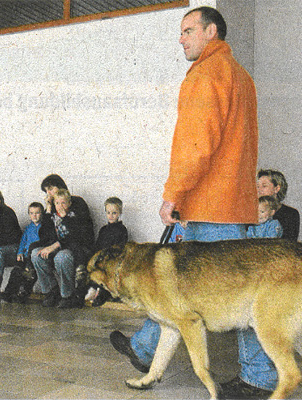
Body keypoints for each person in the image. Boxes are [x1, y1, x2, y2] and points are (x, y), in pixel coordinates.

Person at [109, 7, 274, 399]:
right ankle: (145, 347)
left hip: (208, 204)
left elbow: (195, 146)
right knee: (197, 289)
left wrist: (173, 194)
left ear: (210, 31)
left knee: (235, 295)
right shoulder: (242, 77)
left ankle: (260, 378)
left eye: (187, 31)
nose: (181, 38)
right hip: (231, 202)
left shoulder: (205, 74)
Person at [32, 189, 95, 309]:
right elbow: (44, 236)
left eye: (63, 203)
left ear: (69, 204)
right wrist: (48, 211)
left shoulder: (74, 217)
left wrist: (54, 246)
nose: (60, 206)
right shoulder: (52, 216)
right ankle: (51, 290)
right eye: (57, 203)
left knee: (62, 257)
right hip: (54, 248)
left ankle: (67, 295)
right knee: (36, 254)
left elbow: (73, 237)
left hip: (70, 248)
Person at [1, 202, 43, 303]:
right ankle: (9, 292)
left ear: (42, 214)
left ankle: (23, 294)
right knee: (16, 270)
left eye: (37, 213)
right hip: (25, 255)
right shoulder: (28, 228)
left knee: (30, 273)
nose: (34, 215)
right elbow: (23, 241)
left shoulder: (44, 227)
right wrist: (20, 252)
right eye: (32, 213)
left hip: (35, 256)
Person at [256, 169, 300, 241]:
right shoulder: (251, 212)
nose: (259, 190)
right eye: (258, 186)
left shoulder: (291, 213)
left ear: (276, 189)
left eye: (264, 186)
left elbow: (290, 244)